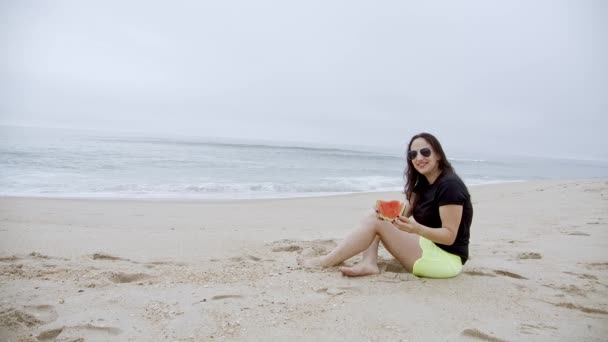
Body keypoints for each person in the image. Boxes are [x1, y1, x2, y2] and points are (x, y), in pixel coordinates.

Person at [298, 132, 473, 278]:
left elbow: (449, 236)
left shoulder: (450, 186)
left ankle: (325, 261)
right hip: (427, 246)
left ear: (438, 155)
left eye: (425, 152)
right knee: (376, 215)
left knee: (376, 221)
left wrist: (416, 229)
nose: (419, 158)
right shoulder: (422, 184)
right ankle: (368, 263)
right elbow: (401, 215)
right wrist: (385, 212)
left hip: (446, 260)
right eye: (413, 154)